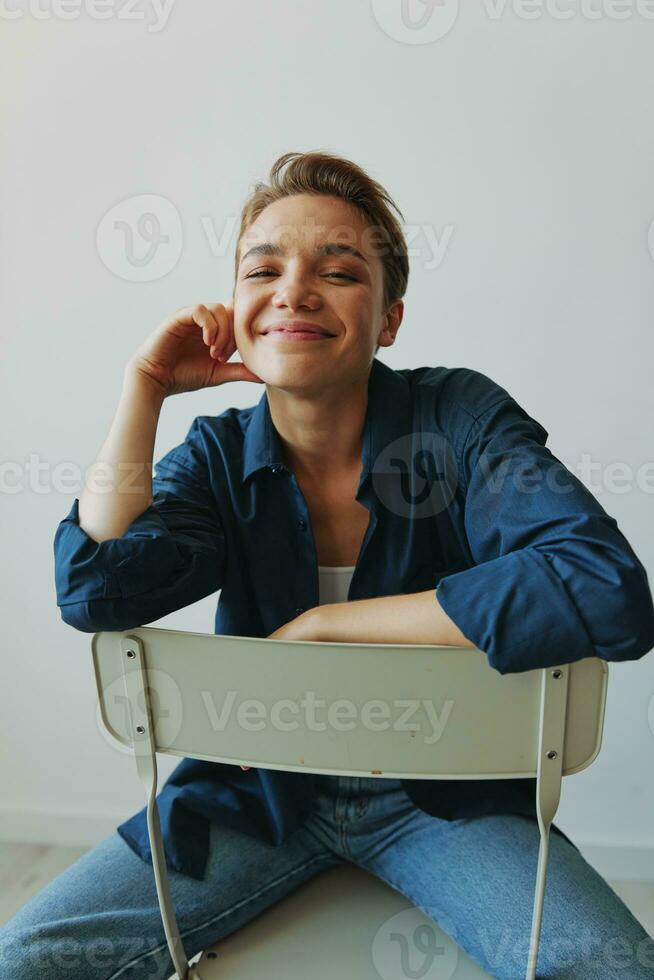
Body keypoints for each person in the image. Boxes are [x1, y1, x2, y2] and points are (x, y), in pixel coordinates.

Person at [2, 150, 653, 979]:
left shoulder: (460, 418)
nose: (294, 290)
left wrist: (326, 625)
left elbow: (604, 587)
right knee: (26, 959)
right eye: (262, 268)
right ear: (236, 311)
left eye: (338, 270)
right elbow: (94, 587)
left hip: (447, 796)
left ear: (388, 319)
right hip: (256, 797)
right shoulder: (216, 456)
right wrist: (145, 386)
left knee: (613, 966)